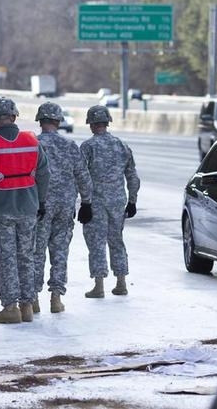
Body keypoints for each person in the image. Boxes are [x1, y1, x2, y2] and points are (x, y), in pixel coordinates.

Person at [0, 97, 50, 324]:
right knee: (26, 256)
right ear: (14, 117)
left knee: (6, 258)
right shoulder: (31, 141)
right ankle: (27, 306)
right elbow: (44, 175)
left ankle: (10, 308)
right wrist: (41, 202)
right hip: (28, 209)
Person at [32, 102, 93, 314]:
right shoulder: (70, 145)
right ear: (58, 121)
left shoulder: (33, 144)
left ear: (40, 121)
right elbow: (83, 176)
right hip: (65, 206)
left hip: (39, 206)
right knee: (60, 252)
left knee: (36, 251)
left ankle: (34, 299)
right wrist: (86, 202)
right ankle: (56, 298)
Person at [80, 105, 140, 298]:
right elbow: (132, 176)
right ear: (107, 122)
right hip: (117, 201)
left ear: (91, 124)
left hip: (95, 202)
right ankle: (121, 282)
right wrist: (132, 200)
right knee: (116, 241)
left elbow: (81, 177)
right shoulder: (121, 145)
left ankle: (99, 285)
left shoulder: (88, 147)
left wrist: (84, 203)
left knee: (96, 242)